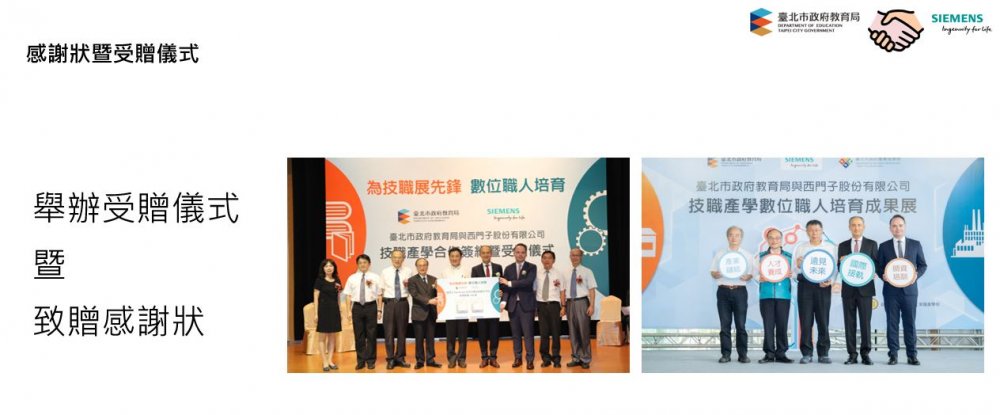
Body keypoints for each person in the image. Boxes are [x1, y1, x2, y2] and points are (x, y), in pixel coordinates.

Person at [876, 214, 927, 366]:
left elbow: (923, 265)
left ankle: (912, 355)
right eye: (894, 226)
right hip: (891, 292)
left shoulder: (915, 244)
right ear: (890, 228)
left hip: (910, 291)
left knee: (909, 323)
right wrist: (883, 275)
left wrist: (916, 275)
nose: (897, 228)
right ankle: (893, 355)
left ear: (905, 227)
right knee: (892, 323)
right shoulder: (884, 246)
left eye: (900, 225)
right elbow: (879, 267)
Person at [709, 226, 756, 363]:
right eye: (731, 235)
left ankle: (743, 355)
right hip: (723, 291)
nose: (734, 237)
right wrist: (716, 274)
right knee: (725, 325)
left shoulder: (747, 255)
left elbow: (752, 274)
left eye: (737, 235)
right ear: (727, 237)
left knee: (741, 325)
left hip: (740, 291)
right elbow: (712, 271)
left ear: (741, 237)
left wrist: (748, 277)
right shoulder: (720, 254)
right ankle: (726, 354)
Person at [836, 216, 878, 365]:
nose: (856, 228)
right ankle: (852, 354)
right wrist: (841, 262)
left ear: (863, 226)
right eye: (853, 225)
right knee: (849, 323)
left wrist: (874, 272)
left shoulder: (872, 244)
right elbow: (838, 268)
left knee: (865, 323)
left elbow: (876, 264)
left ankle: (865, 354)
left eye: (859, 225)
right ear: (849, 227)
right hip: (848, 290)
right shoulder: (842, 245)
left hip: (865, 290)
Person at [794, 220, 837, 364]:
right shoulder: (801, 248)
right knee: (806, 321)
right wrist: (798, 266)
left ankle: (823, 353)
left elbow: (835, 269)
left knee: (823, 321)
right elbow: (794, 271)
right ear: (807, 232)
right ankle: (806, 353)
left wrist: (831, 281)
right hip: (805, 286)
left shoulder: (830, 248)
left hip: (823, 287)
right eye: (811, 230)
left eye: (817, 230)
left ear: (822, 231)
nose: (814, 233)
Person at [757, 228, 794, 364]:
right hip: (766, 295)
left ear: (781, 239)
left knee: (782, 325)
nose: (774, 240)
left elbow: (796, 274)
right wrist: (759, 278)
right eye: (771, 238)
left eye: (777, 238)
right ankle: (769, 353)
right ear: (767, 240)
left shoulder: (789, 257)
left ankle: (781, 353)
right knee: (768, 325)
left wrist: (792, 274)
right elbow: (754, 273)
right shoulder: (761, 257)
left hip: (783, 295)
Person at [500, 243, 537, 370]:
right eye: (517, 252)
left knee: (528, 334)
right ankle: (518, 358)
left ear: (526, 254)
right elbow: (505, 288)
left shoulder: (532, 267)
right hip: (513, 306)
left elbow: (527, 282)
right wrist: (503, 302)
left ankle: (530, 360)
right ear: (514, 253)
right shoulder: (508, 268)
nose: (520, 254)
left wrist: (510, 283)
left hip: (526, 306)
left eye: (522, 252)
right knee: (515, 335)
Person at [344, 254, 381, 370]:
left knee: (371, 335)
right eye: (360, 263)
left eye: (365, 262)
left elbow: (379, 295)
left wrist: (379, 310)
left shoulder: (375, 277)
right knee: (358, 335)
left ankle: (370, 360)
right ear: (357, 264)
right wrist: (348, 311)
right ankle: (360, 360)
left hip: (371, 307)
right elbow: (348, 296)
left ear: (369, 264)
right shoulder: (352, 278)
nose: (362, 265)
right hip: (357, 308)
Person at [562, 247, 597, 369]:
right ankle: (576, 357)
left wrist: (592, 305)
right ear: (570, 256)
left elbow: (592, 290)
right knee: (572, 332)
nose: (575, 257)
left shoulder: (587, 271)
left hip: (582, 302)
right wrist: (563, 305)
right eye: (573, 255)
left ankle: (585, 358)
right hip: (570, 303)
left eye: (577, 255)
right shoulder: (566, 272)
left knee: (584, 332)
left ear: (581, 257)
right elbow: (563, 290)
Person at [379, 249, 411, 369]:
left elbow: (412, 288)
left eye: (399, 257)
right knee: (389, 332)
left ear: (403, 259)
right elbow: (380, 290)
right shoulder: (385, 272)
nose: (397, 260)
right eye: (395, 257)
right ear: (391, 258)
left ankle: (400, 358)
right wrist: (379, 309)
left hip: (402, 303)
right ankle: (391, 359)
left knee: (402, 332)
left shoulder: (408, 271)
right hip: (389, 303)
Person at [471, 245, 502, 368]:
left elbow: (501, 285)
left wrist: (501, 292)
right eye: (483, 253)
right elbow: (473, 287)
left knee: (495, 333)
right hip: (481, 306)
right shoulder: (475, 269)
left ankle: (493, 357)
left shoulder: (498, 267)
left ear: (491, 254)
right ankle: (484, 357)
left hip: (494, 305)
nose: (485, 255)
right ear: (480, 254)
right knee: (482, 333)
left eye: (488, 252)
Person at [408, 258, 442, 369]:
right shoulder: (412, 280)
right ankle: (420, 361)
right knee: (419, 339)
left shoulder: (434, 279)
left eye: (424, 265)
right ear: (416, 267)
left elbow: (438, 293)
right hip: (419, 313)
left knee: (430, 339)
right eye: (420, 265)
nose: (422, 267)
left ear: (427, 266)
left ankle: (430, 360)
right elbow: (415, 294)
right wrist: (429, 301)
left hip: (431, 313)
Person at [535, 250, 565, 368]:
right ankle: (546, 358)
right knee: (544, 334)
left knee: (556, 333)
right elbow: (534, 291)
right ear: (541, 260)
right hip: (541, 305)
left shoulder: (559, 274)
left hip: (554, 306)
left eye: (549, 258)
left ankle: (556, 358)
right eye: (545, 258)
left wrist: (563, 306)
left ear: (553, 260)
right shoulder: (537, 274)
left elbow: (562, 291)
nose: (547, 260)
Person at [313, 259, 343, 371]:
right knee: (322, 337)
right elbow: (315, 297)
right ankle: (324, 361)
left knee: (332, 337)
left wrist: (340, 311)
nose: (329, 268)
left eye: (331, 266)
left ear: (334, 268)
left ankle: (330, 360)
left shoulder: (337, 280)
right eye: (326, 266)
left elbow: (338, 296)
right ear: (323, 268)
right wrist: (316, 313)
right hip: (323, 311)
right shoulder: (319, 280)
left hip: (334, 311)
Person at [442, 247, 469, 368]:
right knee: (450, 335)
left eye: (457, 256)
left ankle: (462, 358)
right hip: (449, 308)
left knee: (463, 335)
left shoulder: (466, 271)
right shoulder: (444, 272)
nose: (454, 258)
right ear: (449, 258)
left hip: (463, 306)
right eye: (452, 256)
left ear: (461, 257)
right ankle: (451, 358)